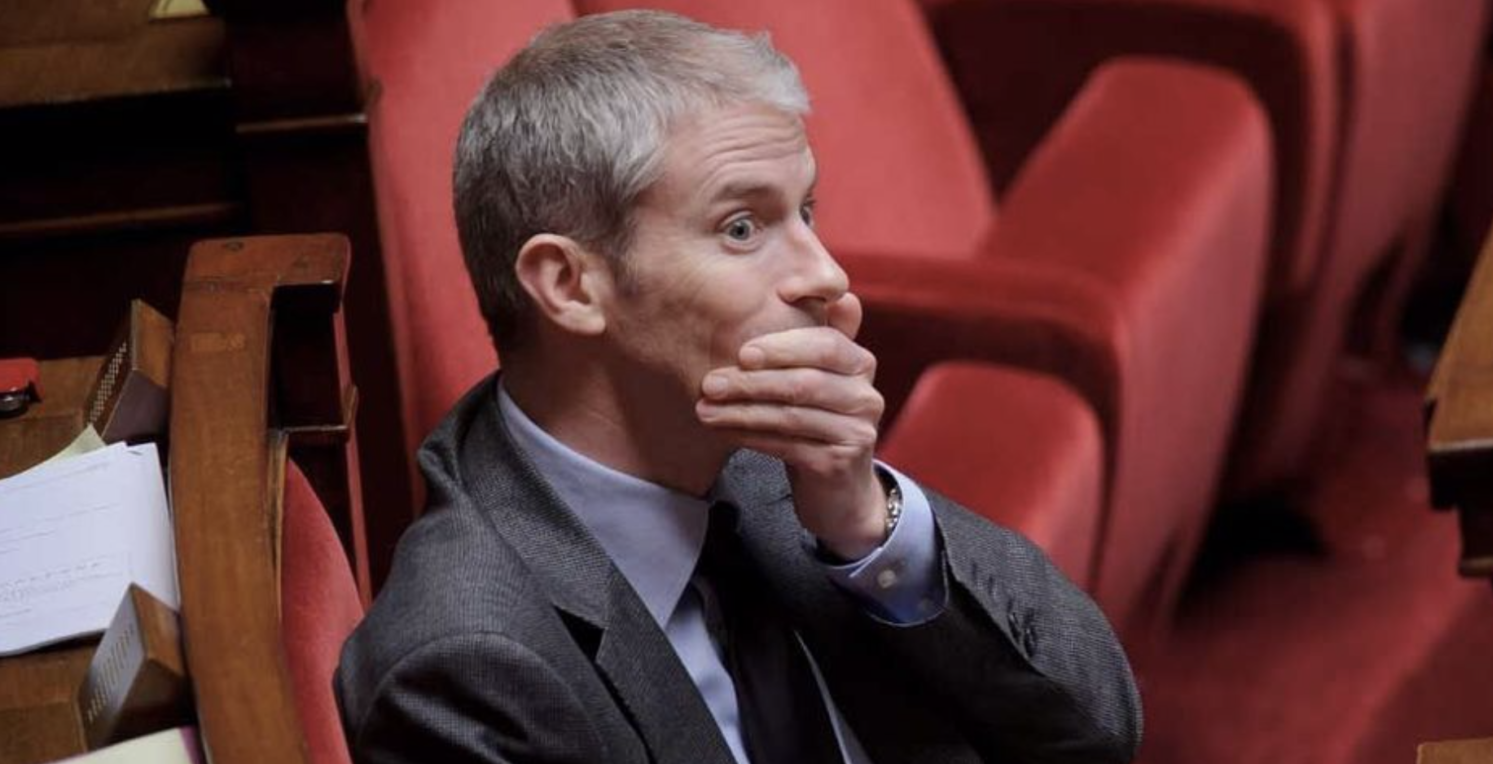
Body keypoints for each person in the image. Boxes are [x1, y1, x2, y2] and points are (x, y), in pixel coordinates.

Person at [336, 9, 1141, 763]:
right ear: (569, 285)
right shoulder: (466, 668)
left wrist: (868, 524)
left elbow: (1097, 728)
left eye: (807, 214)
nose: (826, 276)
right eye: (742, 228)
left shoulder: (764, 461)